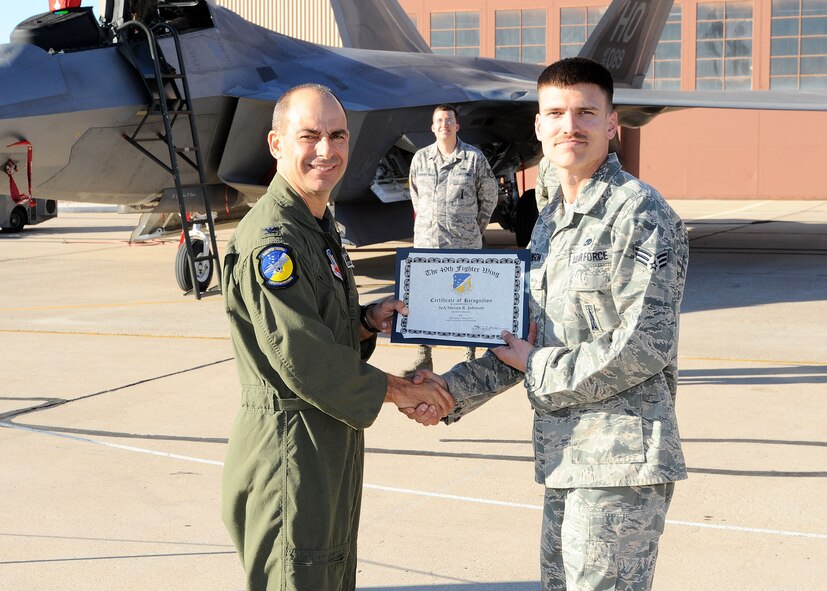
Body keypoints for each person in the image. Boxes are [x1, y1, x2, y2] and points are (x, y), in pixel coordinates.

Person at [408, 58, 689, 591]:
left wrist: (536, 365)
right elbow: (524, 340)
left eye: (586, 113)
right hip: (565, 458)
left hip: (619, 463)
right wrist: (448, 391)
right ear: (538, 126)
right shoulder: (551, 219)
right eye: (556, 113)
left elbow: (645, 345)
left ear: (612, 124)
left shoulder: (639, 213)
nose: (570, 126)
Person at [220, 83, 454, 591]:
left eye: (338, 135)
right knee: (300, 577)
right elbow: (302, 356)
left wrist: (365, 321)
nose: (326, 150)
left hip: (324, 435)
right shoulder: (274, 241)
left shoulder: (315, 225)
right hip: (290, 447)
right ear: (276, 143)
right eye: (309, 136)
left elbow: (319, 326)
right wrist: (400, 390)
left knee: (328, 572)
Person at [406, 104, 498, 374]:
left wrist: (474, 229)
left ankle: (469, 355)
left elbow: (489, 196)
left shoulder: (473, 158)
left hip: (464, 244)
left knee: (466, 300)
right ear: (432, 127)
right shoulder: (420, 159)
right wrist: (428, 224)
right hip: (428, 243)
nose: (444, 125)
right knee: (424, 299)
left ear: (457, 126)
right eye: (439, 121)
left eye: (449, 120)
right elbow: (416, 197)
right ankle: (424, 354)